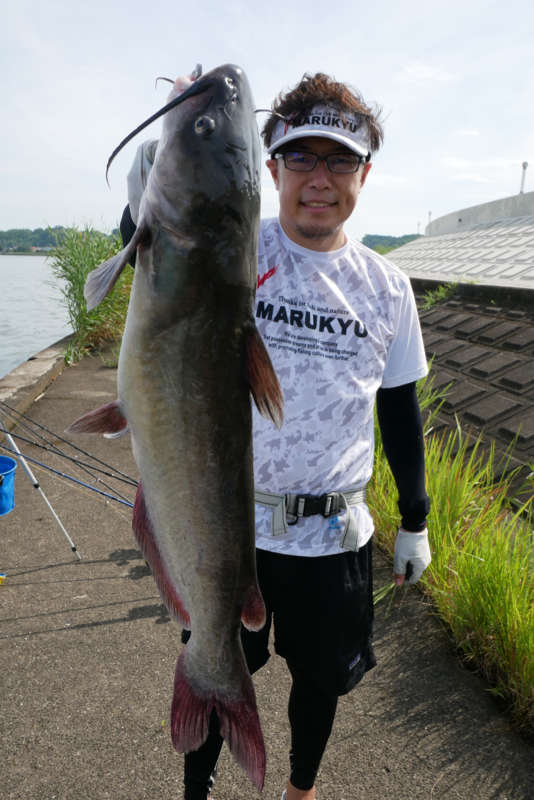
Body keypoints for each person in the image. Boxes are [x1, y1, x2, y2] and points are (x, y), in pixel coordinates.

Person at [121, 71, 431, 800]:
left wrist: (415, 519)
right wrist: (151, 179)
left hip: (333, 537)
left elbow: (399, 409)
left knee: (319, 683)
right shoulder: (225, 243)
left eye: (338, 160)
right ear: (270, 170)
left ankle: (299, 790)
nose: (318, 179)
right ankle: (197, 788)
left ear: (364, 173)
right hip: (230, 528)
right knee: (213, 654)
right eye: (301, 158)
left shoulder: (388, 287)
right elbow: (152, 250)